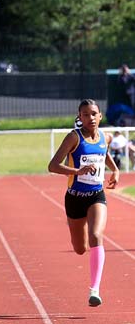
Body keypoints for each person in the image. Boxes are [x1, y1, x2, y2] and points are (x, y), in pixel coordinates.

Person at [48, 99, 119, 307]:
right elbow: (53, 166)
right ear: (79, 117)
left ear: (100, 116)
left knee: (97, 235)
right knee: (80, 248)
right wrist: (76, 171)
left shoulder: (105, 136)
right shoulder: (74, 138)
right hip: (74, 198)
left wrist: (114, 169)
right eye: (85, 114)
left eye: (94, 114)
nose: (90, 118)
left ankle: (94, 290)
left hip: (96, 195)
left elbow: (103, 153)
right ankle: (86, 246)